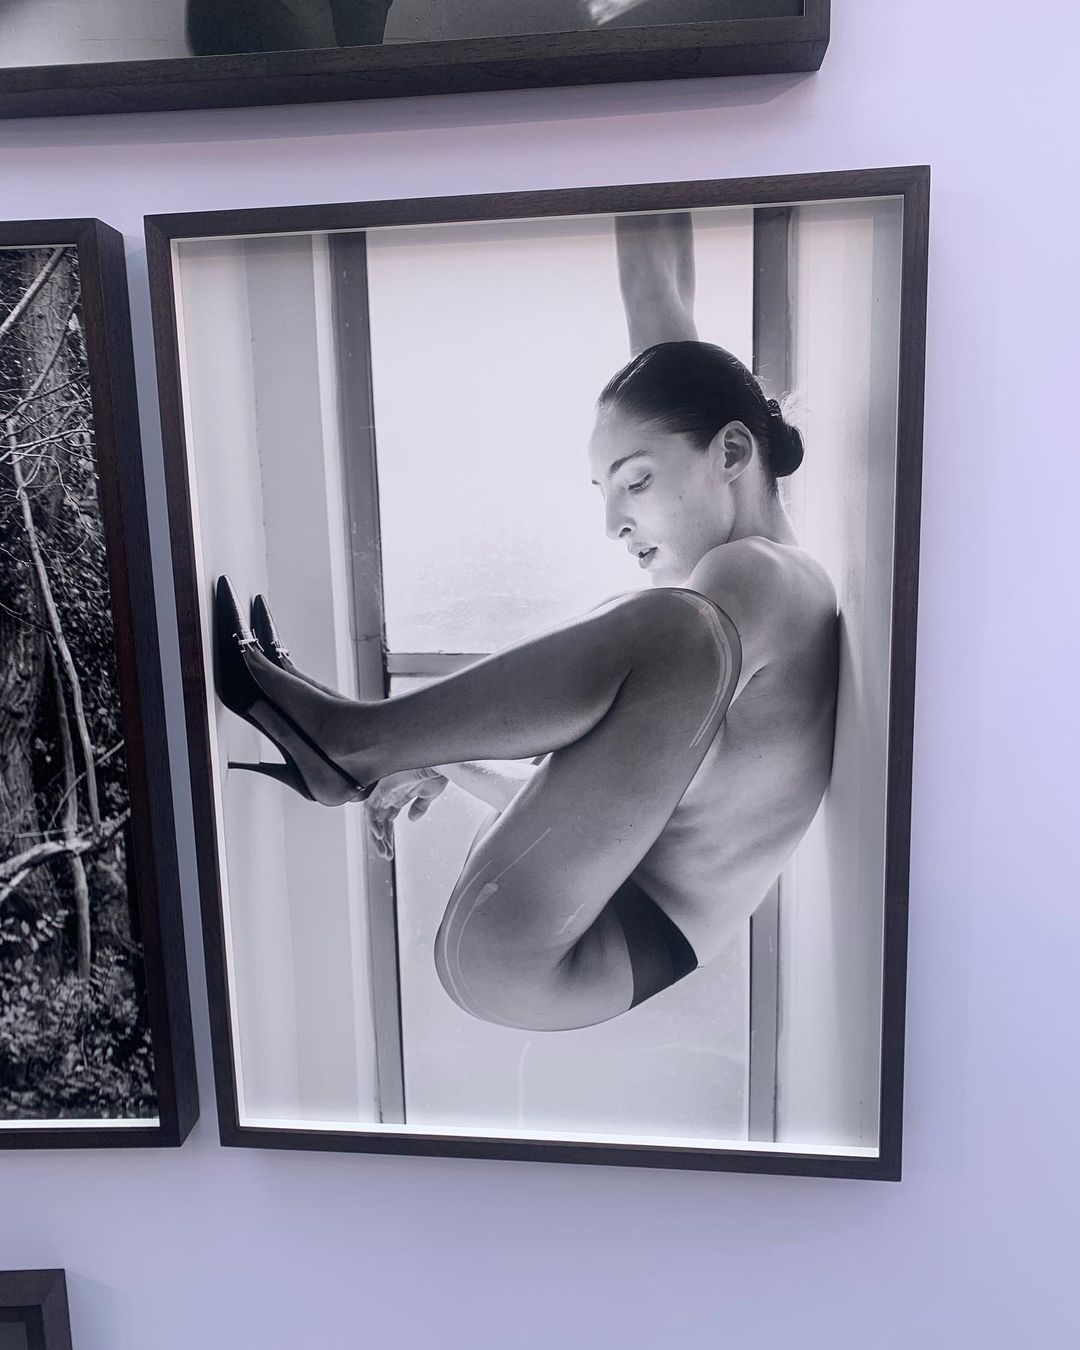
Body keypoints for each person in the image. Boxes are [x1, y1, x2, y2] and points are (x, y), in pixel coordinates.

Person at [214, 212, 838, 1033]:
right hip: (535, 949)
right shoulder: (745, 606)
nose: (613, 524)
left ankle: (354, 739)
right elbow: (580, 803)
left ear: (731, 453)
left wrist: (418, 741)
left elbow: (663, 327)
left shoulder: (764, 581)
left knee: (677, 630)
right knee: (674, 630)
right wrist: (446, 752)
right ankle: (356, 746)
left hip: (573, 941)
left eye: (636, 482)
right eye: (604, 493)